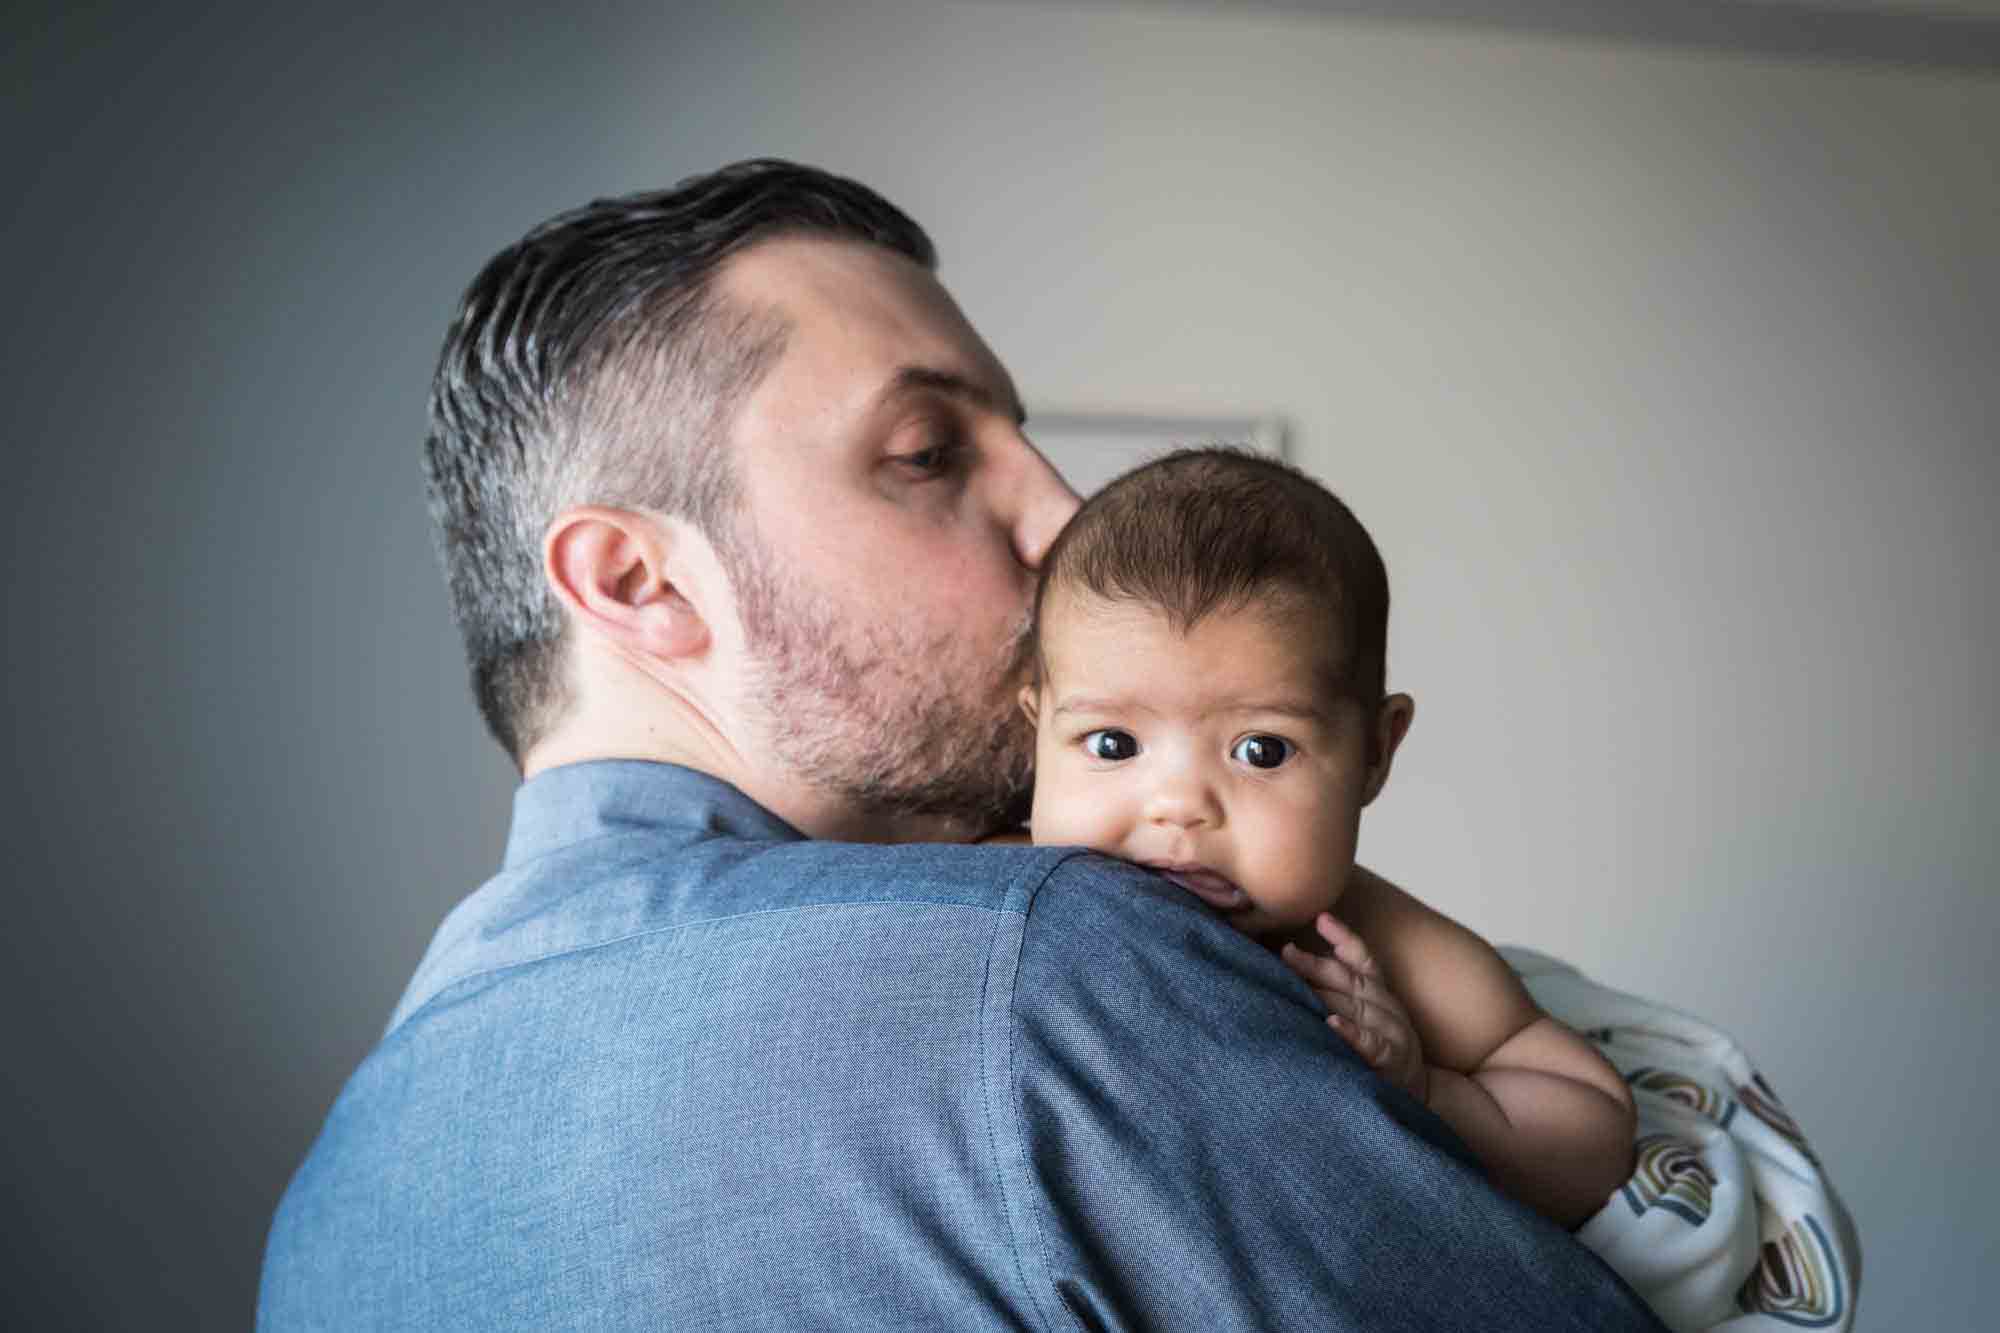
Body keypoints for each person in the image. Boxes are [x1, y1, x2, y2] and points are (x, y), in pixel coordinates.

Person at [257, 159, 1664, 1329]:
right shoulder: (1054, 964)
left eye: (1025, 443)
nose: (1064, 520)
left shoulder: (327, 1202)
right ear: (639, 583)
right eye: (931, 452)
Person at [1016, 447, 1638, 1230]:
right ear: (1037, 732)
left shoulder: (1373, 945)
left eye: (1261, 750)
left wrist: (1427, 1092)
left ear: (1376, 752)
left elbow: (1596, 1124)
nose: (1177, 807)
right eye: (1112, 744)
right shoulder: (996, 891)